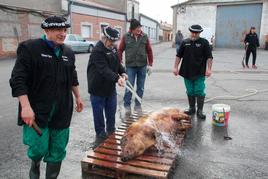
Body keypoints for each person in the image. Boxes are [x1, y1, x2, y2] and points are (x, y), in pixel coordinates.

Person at [9, 16, 84, 179]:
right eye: (58, 30)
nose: (63, 34)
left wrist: (78, 96)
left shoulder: (68, 53)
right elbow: (18, 79)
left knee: (58, 150)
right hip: (37, 111)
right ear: (47, 30)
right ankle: (35, 165)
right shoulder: (30, 48)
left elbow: (73, 77)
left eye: (65, 30)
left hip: (62, 110)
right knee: (38, 148)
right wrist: (26, 107)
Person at [87, 26, 127, 148]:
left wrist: (123, 72)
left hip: (109, 88)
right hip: (97, 88)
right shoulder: (97, 51)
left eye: (115, 41)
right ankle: (100, 135)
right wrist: (117, 78)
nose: (113, 44)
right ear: (104, 38)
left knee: (111, 111)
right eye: (111, 41)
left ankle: (111, 131)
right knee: (98, 114)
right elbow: (103, 69)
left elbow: (117, 62)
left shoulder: (113, 48)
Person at [173, 24, 213, 120]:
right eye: (193, 32)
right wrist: (175, 67)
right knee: (190, 91)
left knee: (199, 91)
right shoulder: (185, 42)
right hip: (186, 72)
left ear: (199, 33)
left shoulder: (204, 42)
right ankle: (192, 108)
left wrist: (209, 69)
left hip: (199, 72)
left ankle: (200, 110)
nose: (194, 34)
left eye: (196, 33)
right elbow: (178, 56)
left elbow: (209, 57)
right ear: (190, 32)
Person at [118, 18, 153, 112]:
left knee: (140, 87)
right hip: (130, 66)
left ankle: (138, 105)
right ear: (131, 29)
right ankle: (127, 105)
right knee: (129, 87)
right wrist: (119, 61)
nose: (139, 31)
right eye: (137, 30)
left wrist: (150, 64)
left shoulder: (144, 36)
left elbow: (149, 50)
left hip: (142, 66)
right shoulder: (126, 37)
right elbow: (120, 50)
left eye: (140, 29)